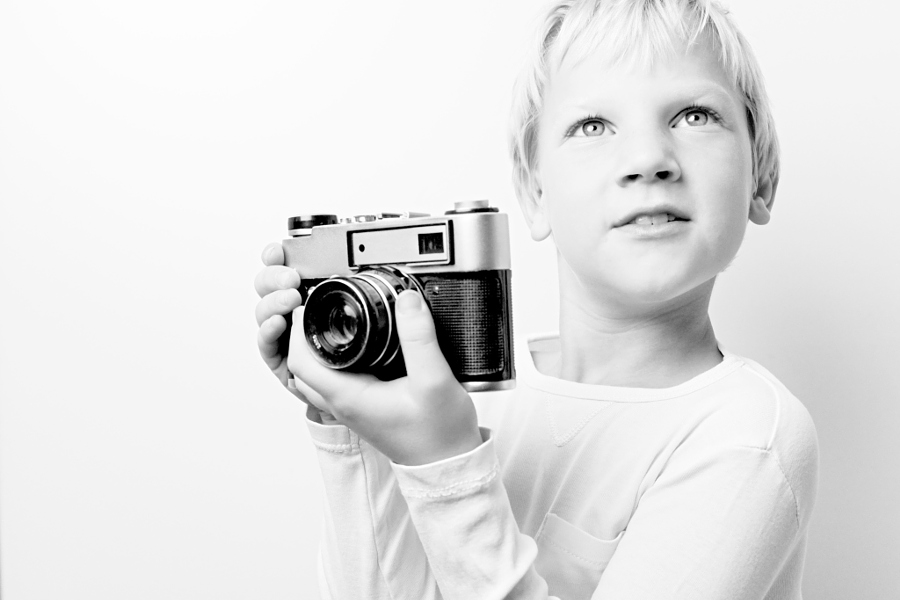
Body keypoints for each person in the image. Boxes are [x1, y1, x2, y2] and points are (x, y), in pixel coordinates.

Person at [253, 0, 819, 597]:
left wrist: (444, 462)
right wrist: (350, 423)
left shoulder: (749, 435)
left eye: (695, 115)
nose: (649, 159)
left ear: (762, 175)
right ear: (533, 192)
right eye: (593, 126)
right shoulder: (460, 390)